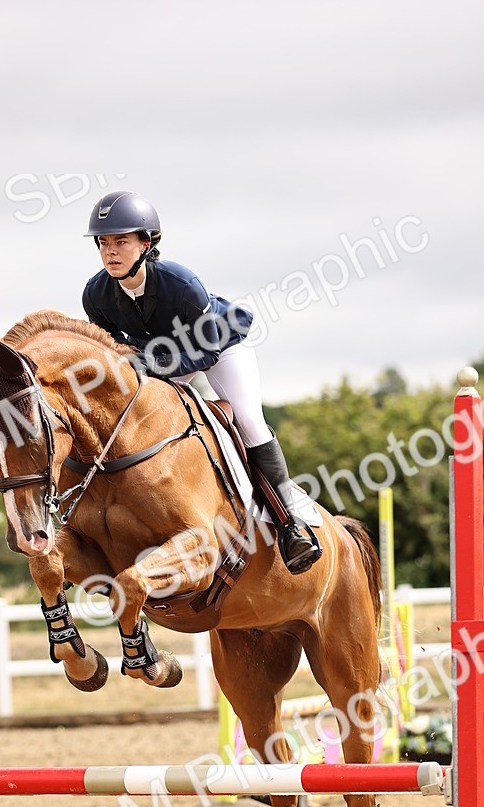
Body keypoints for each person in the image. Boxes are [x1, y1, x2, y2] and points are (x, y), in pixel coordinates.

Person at [81, 190, 321, 575]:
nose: (111, 251)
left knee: (247, 418)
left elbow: (206, 354)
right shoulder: (96, 294)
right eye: (104, 243)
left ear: (146, 243)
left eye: (121, 241)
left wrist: (145, 361)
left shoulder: (181, 283)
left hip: (219, 346)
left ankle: (291, 521)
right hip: (163, 358)